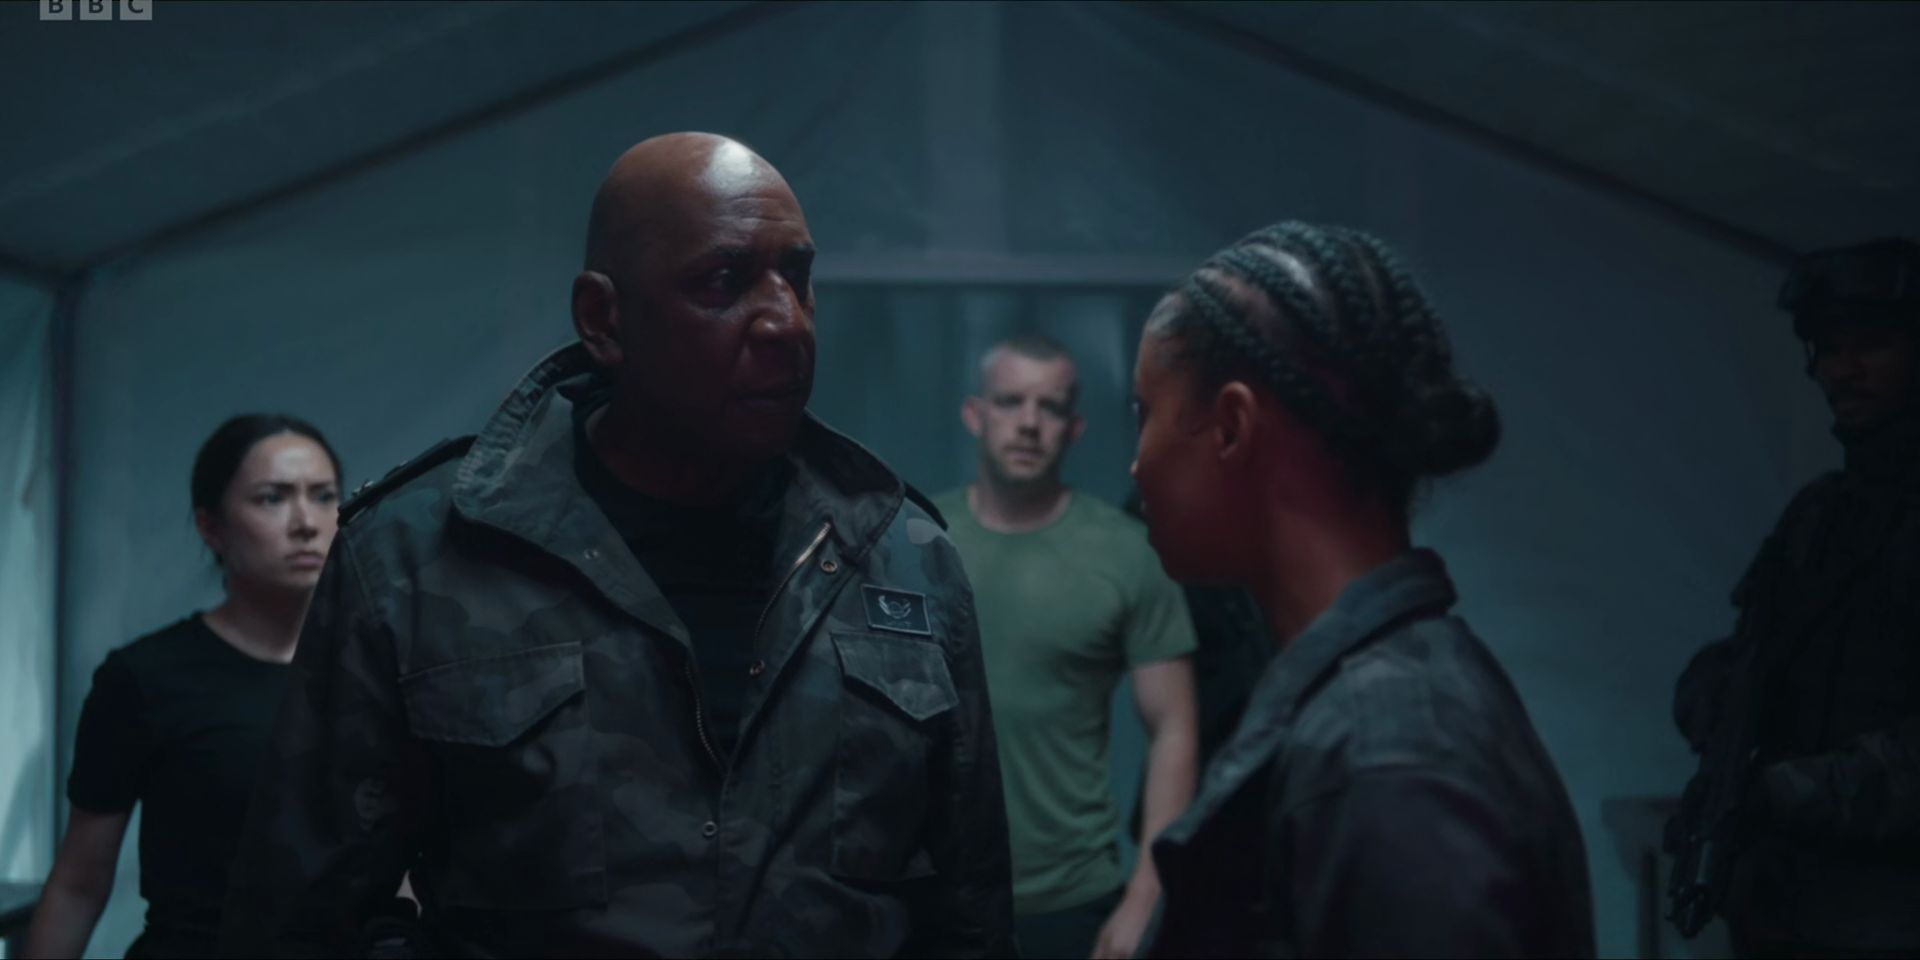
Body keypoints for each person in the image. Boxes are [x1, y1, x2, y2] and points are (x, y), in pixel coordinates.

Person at [218, 132, 1015, 959]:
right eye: (723, 281)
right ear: (604, 319)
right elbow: (296, 922)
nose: (785, 320)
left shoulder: (899, 557)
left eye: (798, 276)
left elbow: (974, 922)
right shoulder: (419, 559)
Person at [1130, 221, 1594, 958]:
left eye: (1144, 413)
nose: (1136, 466)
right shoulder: (1380, 711)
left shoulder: (1389, 755)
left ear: (1231, 427)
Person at [1669, 237, 1920, 958]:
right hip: (1793, 911)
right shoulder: (1820, 514)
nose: (1842, 369)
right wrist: (1710, 690)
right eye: (1828, 348)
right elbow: (1760, 650)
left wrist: (1789, 792)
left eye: (1870, 344)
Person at [23, 415, 343, 959]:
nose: (306, 523)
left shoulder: (379, 670)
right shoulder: (147, 677)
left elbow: (409, 866)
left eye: (324, 496)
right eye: (272, 498)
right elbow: (79, 884)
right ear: (210, 526)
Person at [932, 335, 1198, 960]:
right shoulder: (921, 541)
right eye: (1010, 401)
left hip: (1072, 898)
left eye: (1049, 407)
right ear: (975, 414)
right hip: (937, 893)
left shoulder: (1128, 553)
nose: (1029, 423)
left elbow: (1175, 728)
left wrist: (1146, 893)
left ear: (1073, 427)